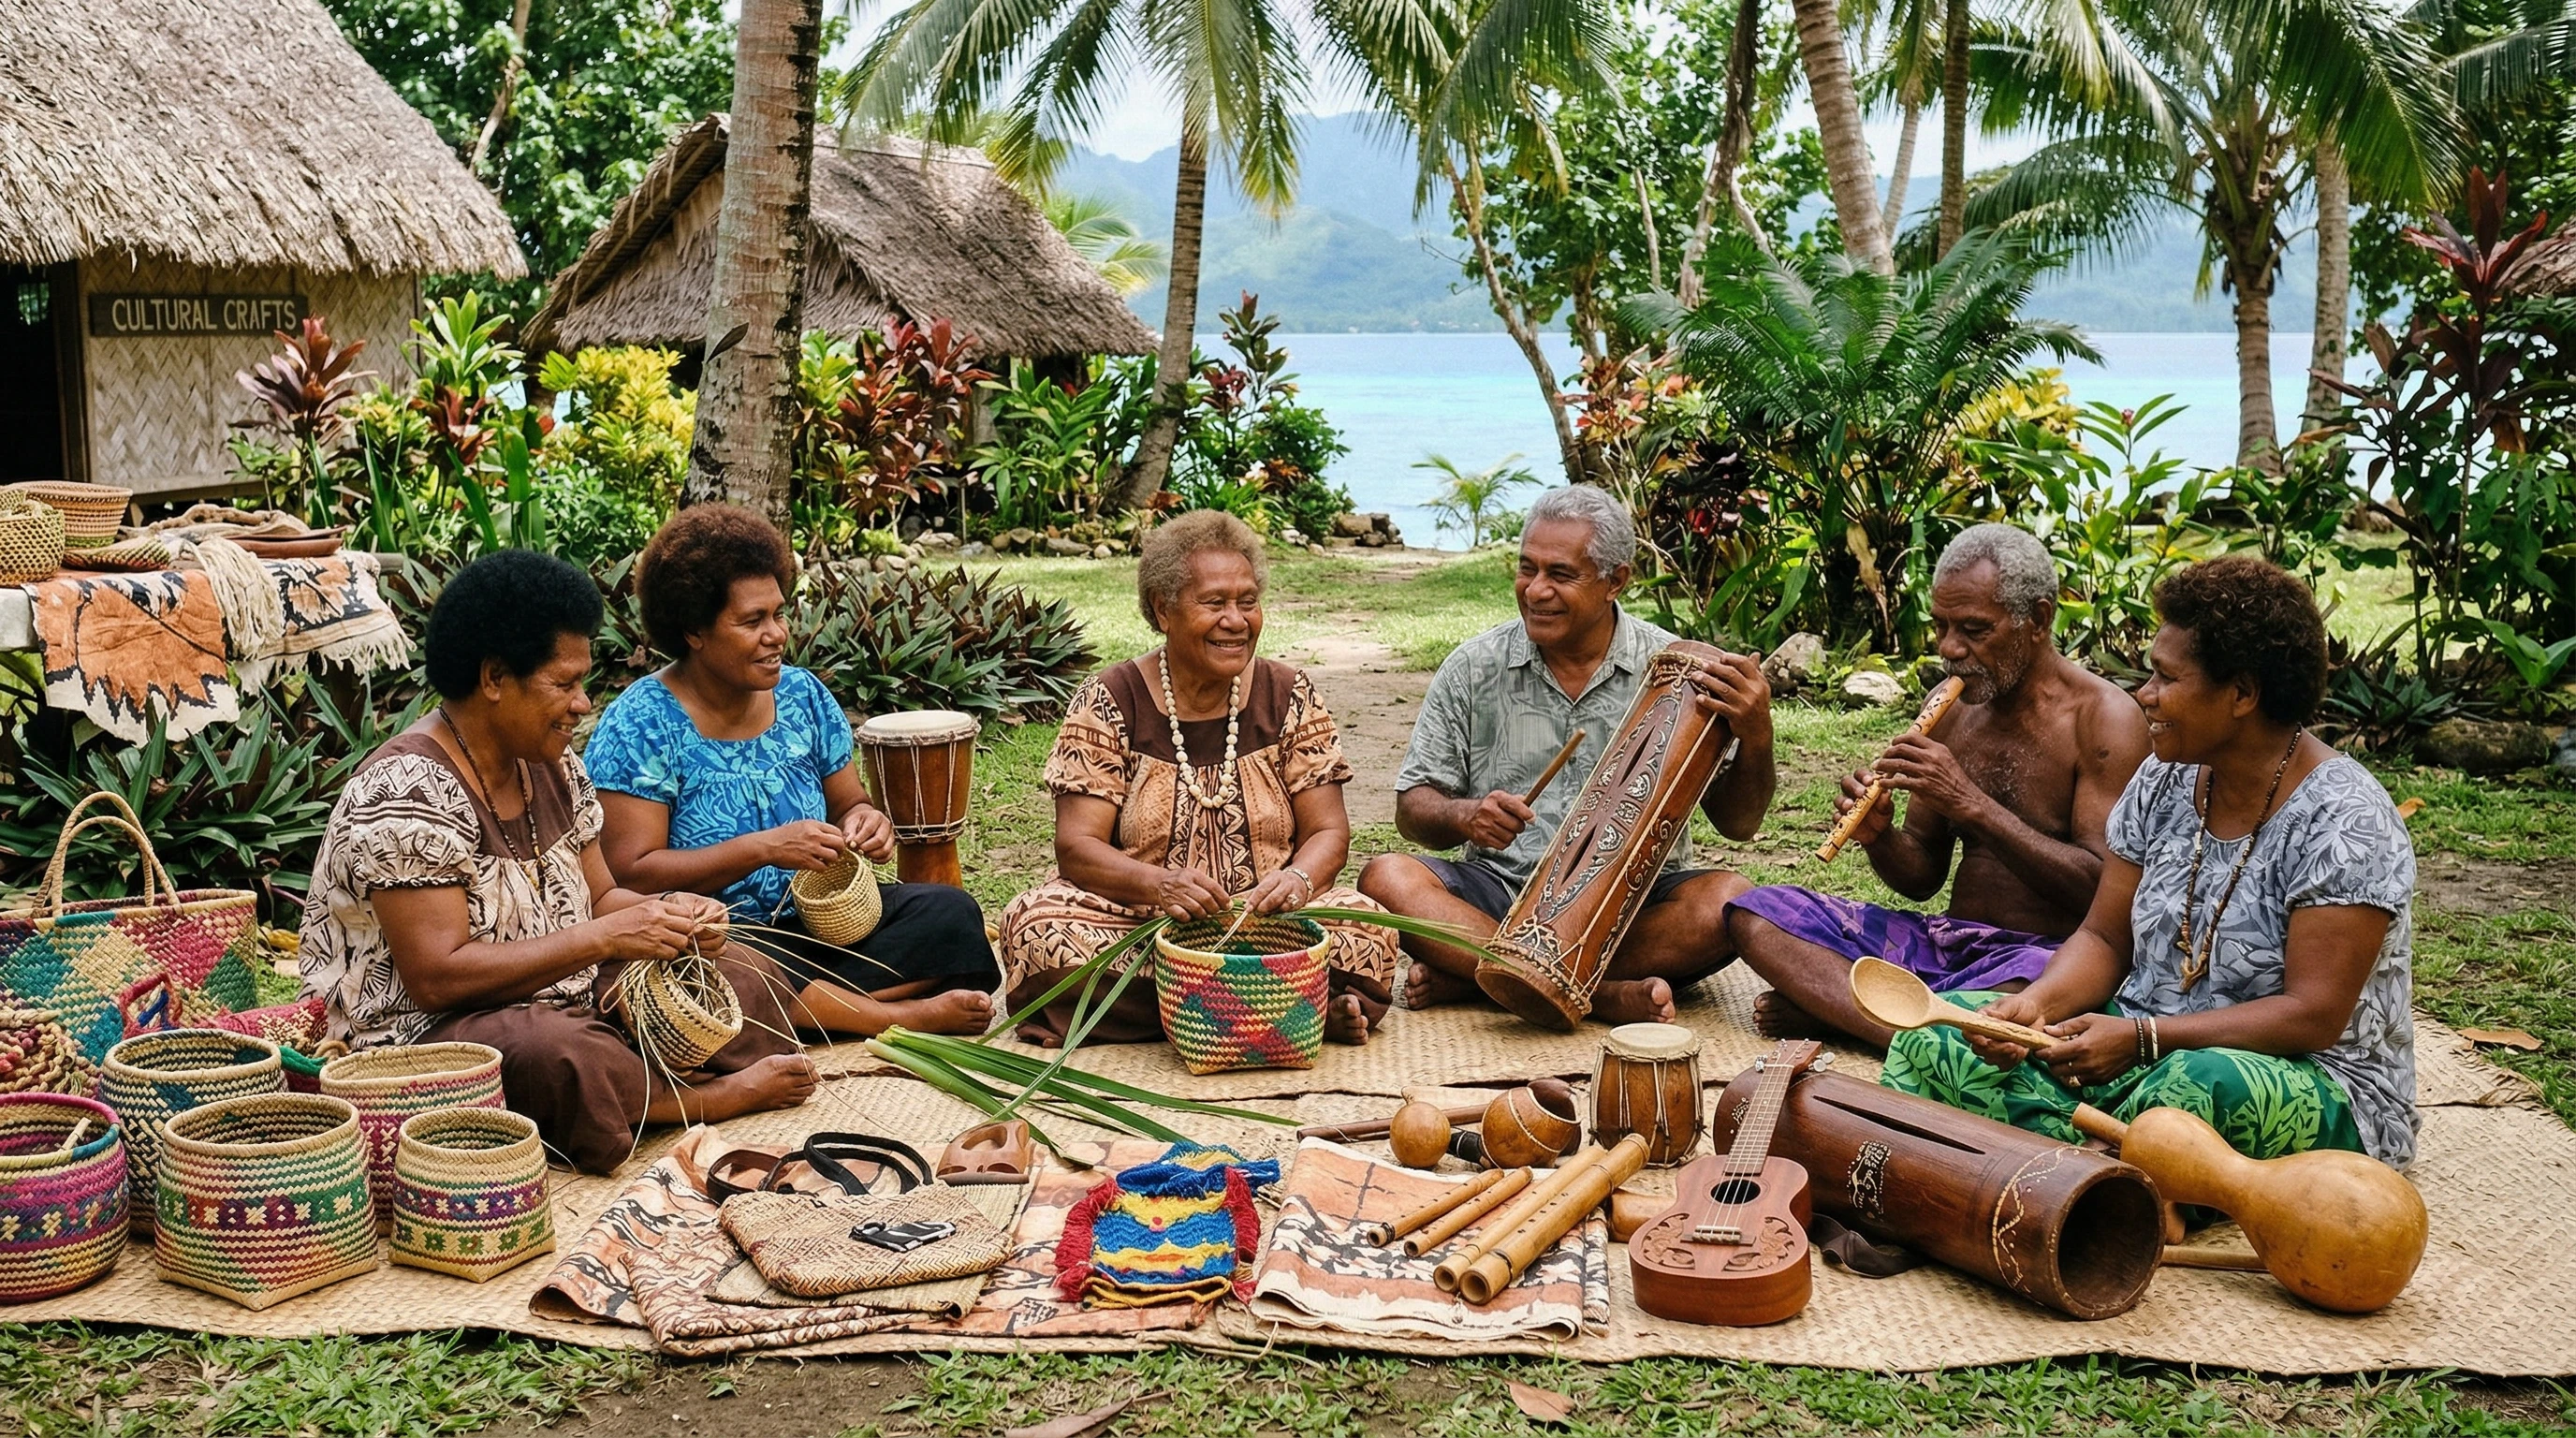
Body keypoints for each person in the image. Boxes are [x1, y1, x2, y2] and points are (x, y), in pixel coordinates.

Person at [1884, 556, 2418, 1168]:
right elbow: (2105, 935)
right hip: (2139, 1042)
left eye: (2165, 678)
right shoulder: (2163, 778)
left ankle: (2061, 1167)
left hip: (2309, 1080)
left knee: (2183, 1095)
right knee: (1938, 1042)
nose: (2145, 695)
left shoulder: (2346, 818)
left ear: (2242, 693)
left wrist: (2145, 1040)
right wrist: (2038, 1006)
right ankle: (2111, 1168)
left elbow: (2312, 1015)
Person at [299, 550, 815, 1175]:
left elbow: (601, 899)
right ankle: (703, 1096)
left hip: (557, 990)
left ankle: (648, 1081)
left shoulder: (552, 763)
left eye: (582, 683)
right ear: (493, 678)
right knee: (558, 1054)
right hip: (426, 1035)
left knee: (736, 968)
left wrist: (670, 916)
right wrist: (603, 938)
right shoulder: (407, 790)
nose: (581, 704)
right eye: (563, 683)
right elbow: (437, 977)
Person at [1358, 484, 1778, 1025]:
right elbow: (1412, 809)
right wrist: (1466, 816)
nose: (1535, 590)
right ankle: (1596, 995)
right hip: (1500, 895)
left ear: (1616, 581)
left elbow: (1739, 825)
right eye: (1526, 568)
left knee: (1729, 902)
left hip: (1631, 906)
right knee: (1387, 877)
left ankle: (1486, 978)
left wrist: (1756, 733)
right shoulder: (1472, 667)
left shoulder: (1679, 673)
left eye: (1560, 575)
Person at [1727, 523, 2151, 1046]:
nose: (1950, 649)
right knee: (1756, 915)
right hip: (1946, 945)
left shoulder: (2104, 720)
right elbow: (1923, 874)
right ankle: (1922, 1025)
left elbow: (2099, 889)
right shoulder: (1954, 710)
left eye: (1974, 630)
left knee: (2027, 997)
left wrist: (1970, 804)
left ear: (2037, 619)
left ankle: (1854, 1013)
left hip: (2043, 959)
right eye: (1941, 626)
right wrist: (1880, 837)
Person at [587, 506, 998, 1038]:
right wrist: (763, 848)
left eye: (779, 614)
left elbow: (850, 802)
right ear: (693, 629)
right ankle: (896, 1015)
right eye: (752, 621)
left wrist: (865, 822)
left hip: (821, 926)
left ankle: (810, 1015)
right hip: (716, 935)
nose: (776, 634)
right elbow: (629, 874)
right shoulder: (641, 723)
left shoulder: (803, 695)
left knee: (952, 914)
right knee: (731, 973)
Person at [995, 510, 1399, 1048]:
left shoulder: (1288, 692)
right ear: (1163, 611)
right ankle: (1284, 1011)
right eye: (1214, 603)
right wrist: (1159, 886)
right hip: (1142, 926)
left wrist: (1297, 881)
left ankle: (1176, 1015)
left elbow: (1328, 832)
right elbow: (1077, 847)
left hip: (1267, 928)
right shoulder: (1110, 698)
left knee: (1368, 924)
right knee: (1036, 926)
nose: (1236, 620)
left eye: (1247, 601)